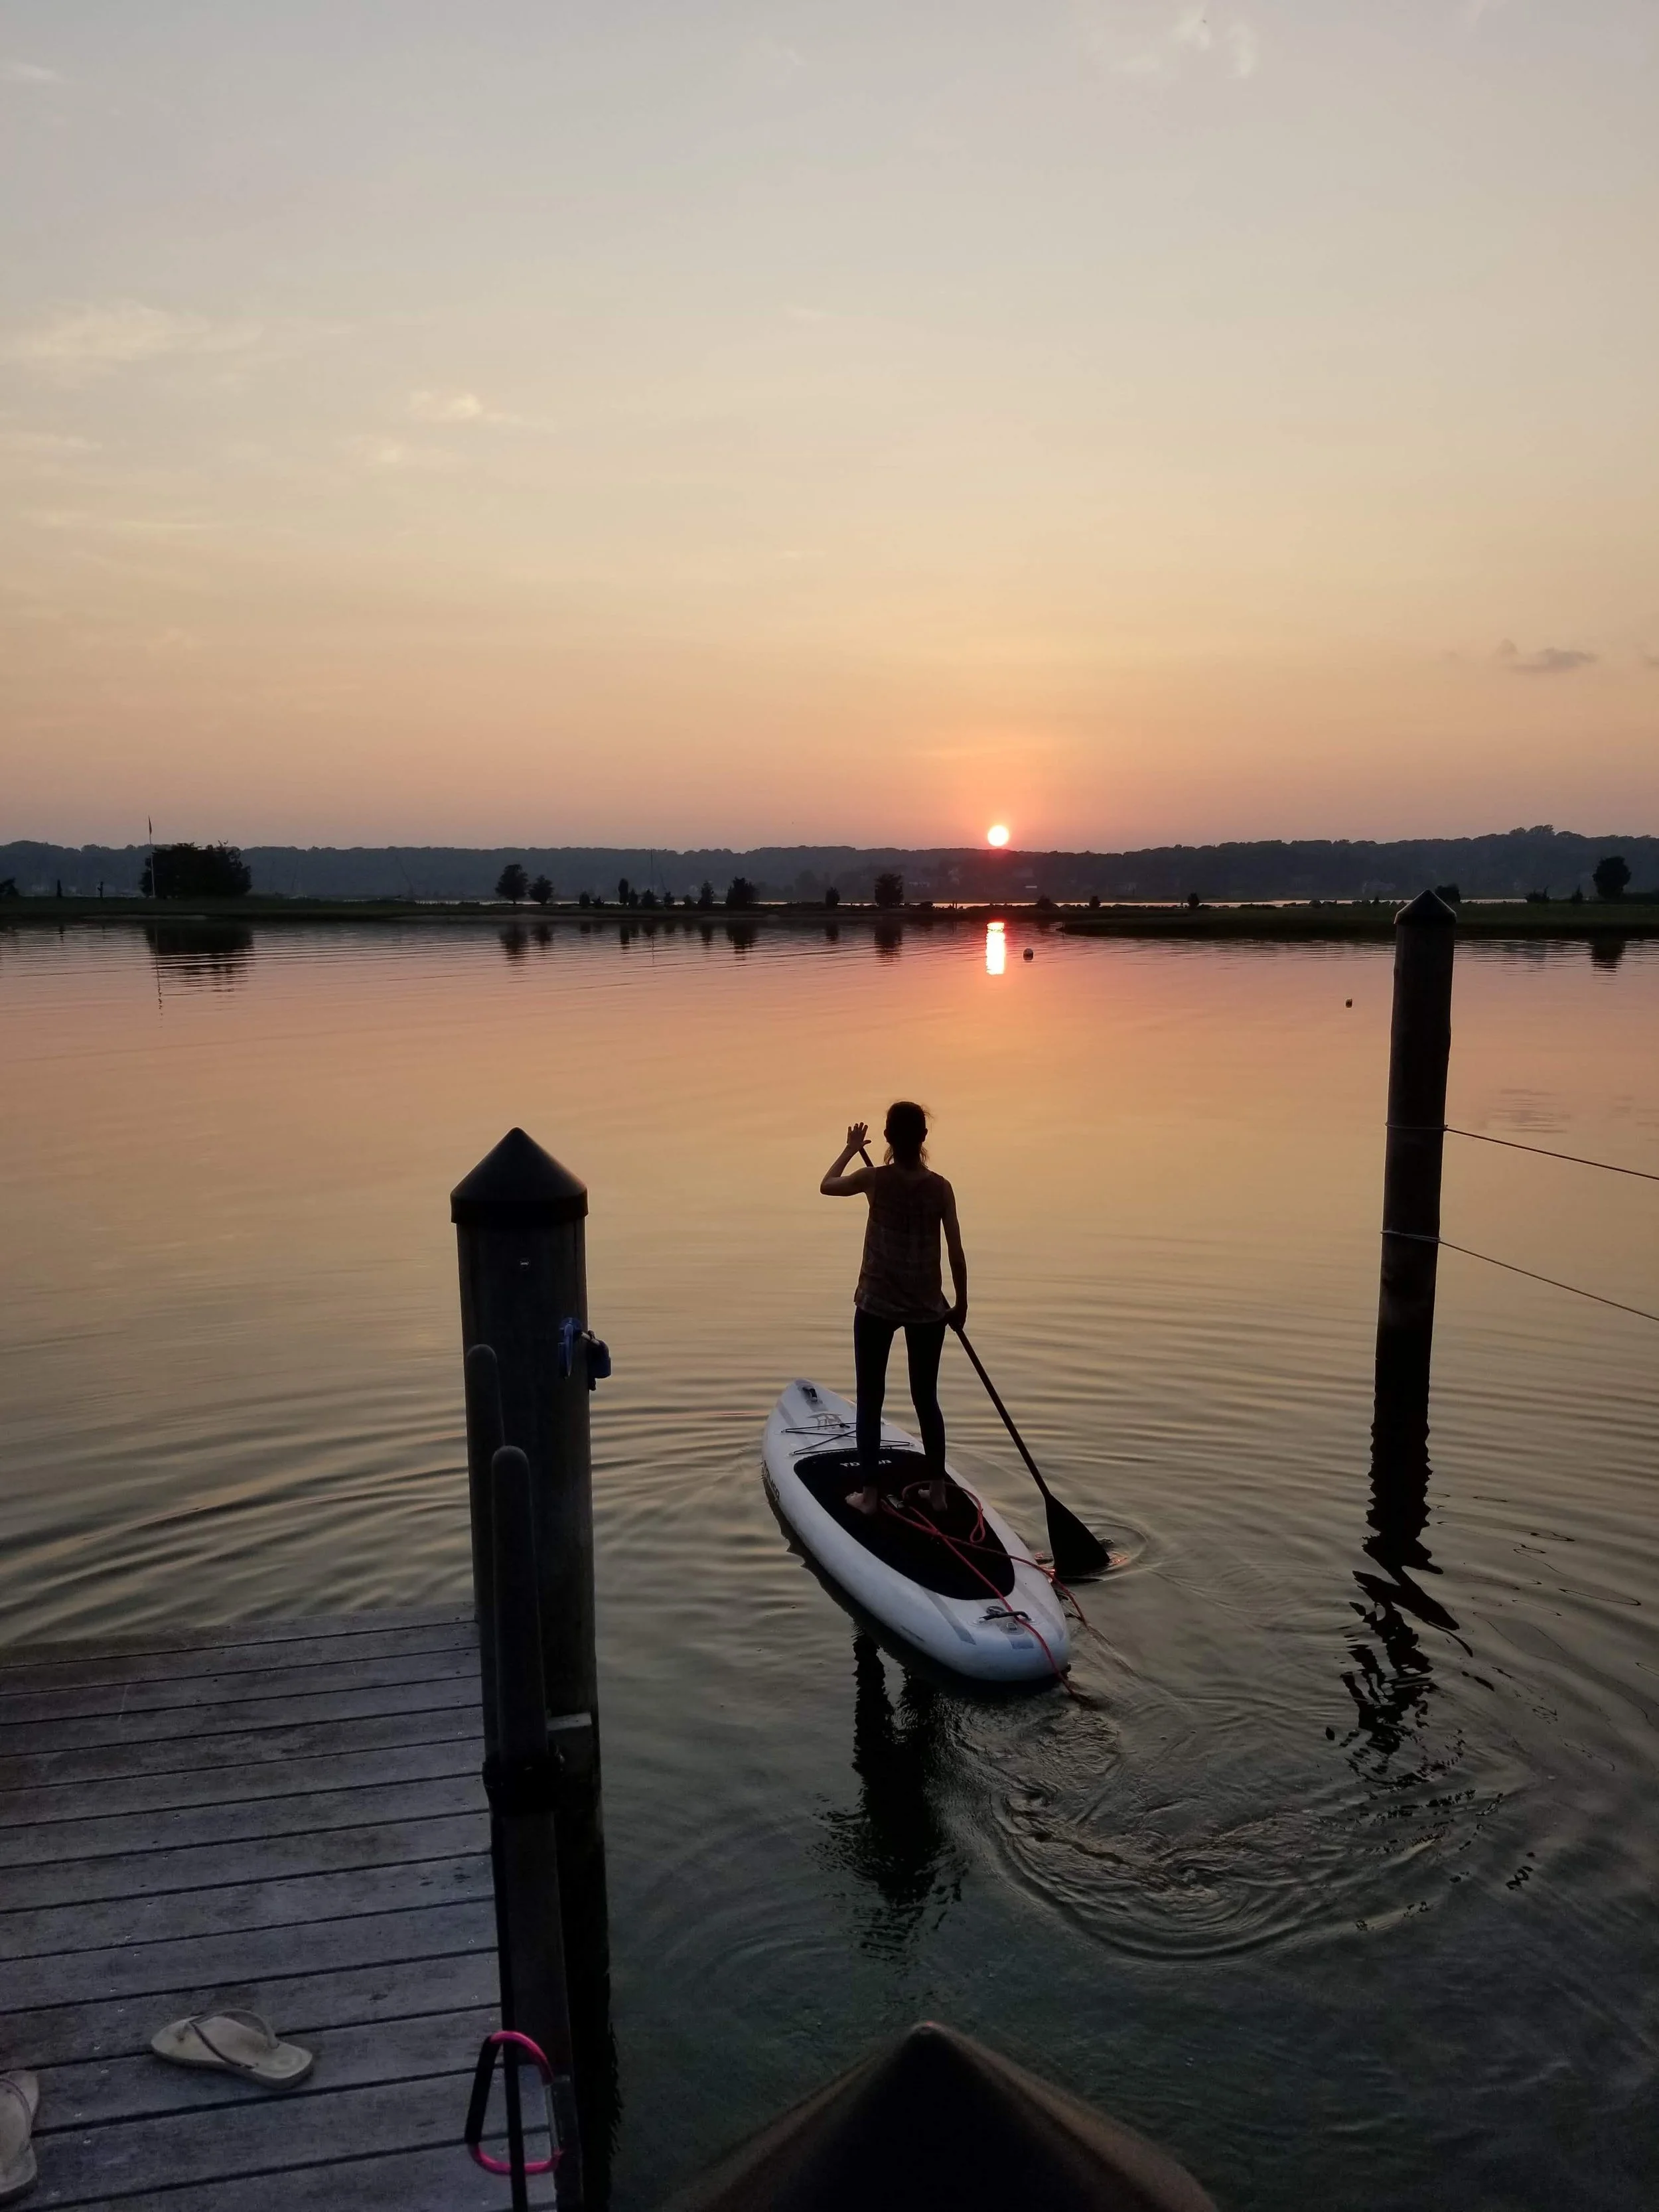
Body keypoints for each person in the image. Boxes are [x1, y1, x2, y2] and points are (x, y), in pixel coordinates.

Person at [820, 1102, 968, 1517]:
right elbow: (956, 1252)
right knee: (926, 1399)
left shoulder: (874, 1179)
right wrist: (961, 1305)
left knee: (871, 1399)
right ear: (923, 1139)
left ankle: (870, 1497)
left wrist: (850, 1148)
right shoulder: (941, 1187)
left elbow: (827, 1185)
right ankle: (937, 1493)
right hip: (928, 1309)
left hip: (876, 1305)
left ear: (886, 1138)